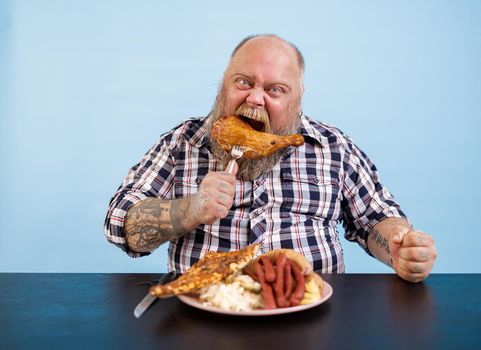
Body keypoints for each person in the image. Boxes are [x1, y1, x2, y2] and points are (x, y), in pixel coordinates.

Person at [104, 34, 437, 282]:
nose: (255, 98)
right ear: (223, 84)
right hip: (203, 315)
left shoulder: (334, 147)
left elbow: (376, 219)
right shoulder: (182, 143)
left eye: (275, 90)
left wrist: (401, 247)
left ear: (298, 97)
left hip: (311, 315)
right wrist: (190, 209)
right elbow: (120, 224)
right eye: (243, 82)